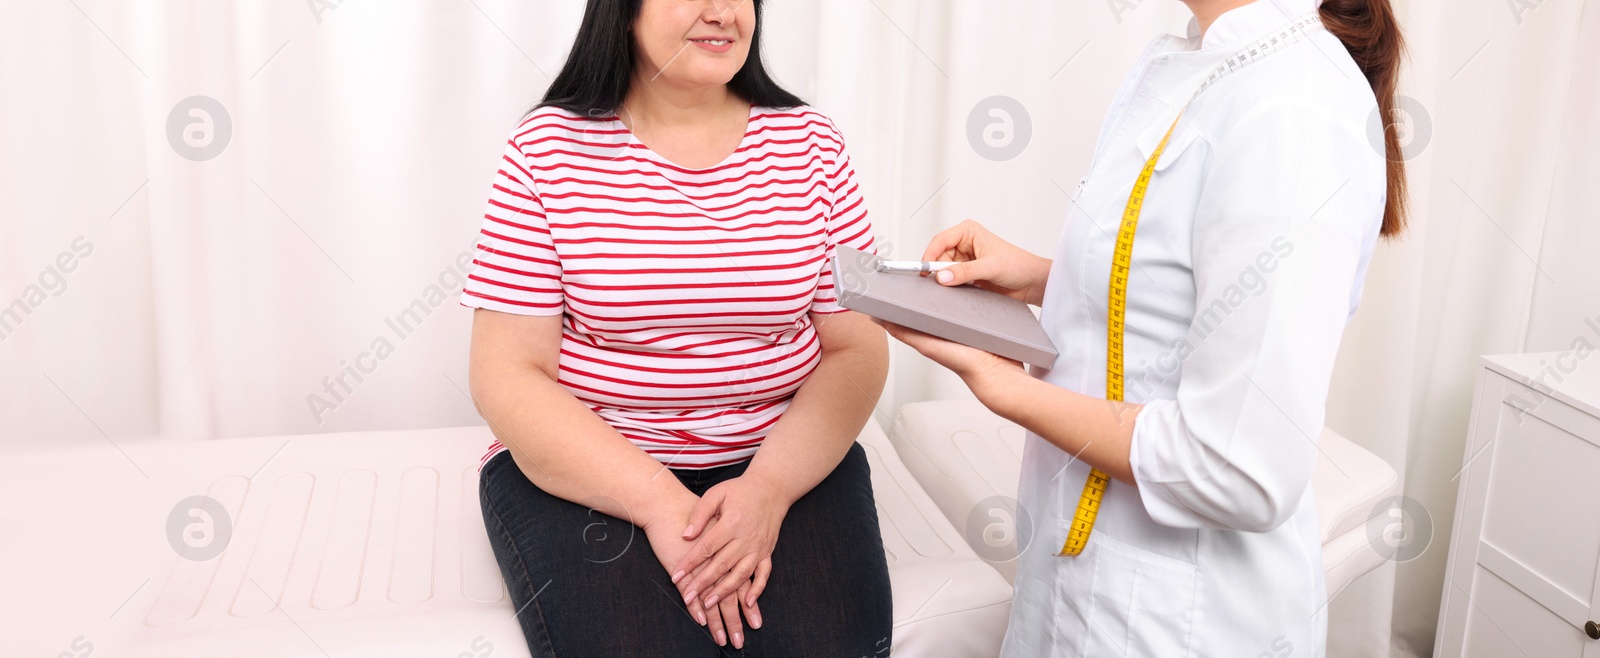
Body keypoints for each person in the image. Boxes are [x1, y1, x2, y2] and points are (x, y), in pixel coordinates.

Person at [879, 0, 1407, 655]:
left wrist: (1000, 386)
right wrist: (1046, 277)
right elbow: (1187, 293)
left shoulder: (1293, 108)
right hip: (1081, 581)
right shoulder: (1198, 59)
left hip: (1175, 621)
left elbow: (1240, 467)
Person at [461, 0, 892, 655]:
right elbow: (506, 373)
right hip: (595, 468)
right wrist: (662, 505)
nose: (722, 11)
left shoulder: (813, 145)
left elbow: (857, 346)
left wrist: (767, 493)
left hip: (781, 459)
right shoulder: (545, 150)